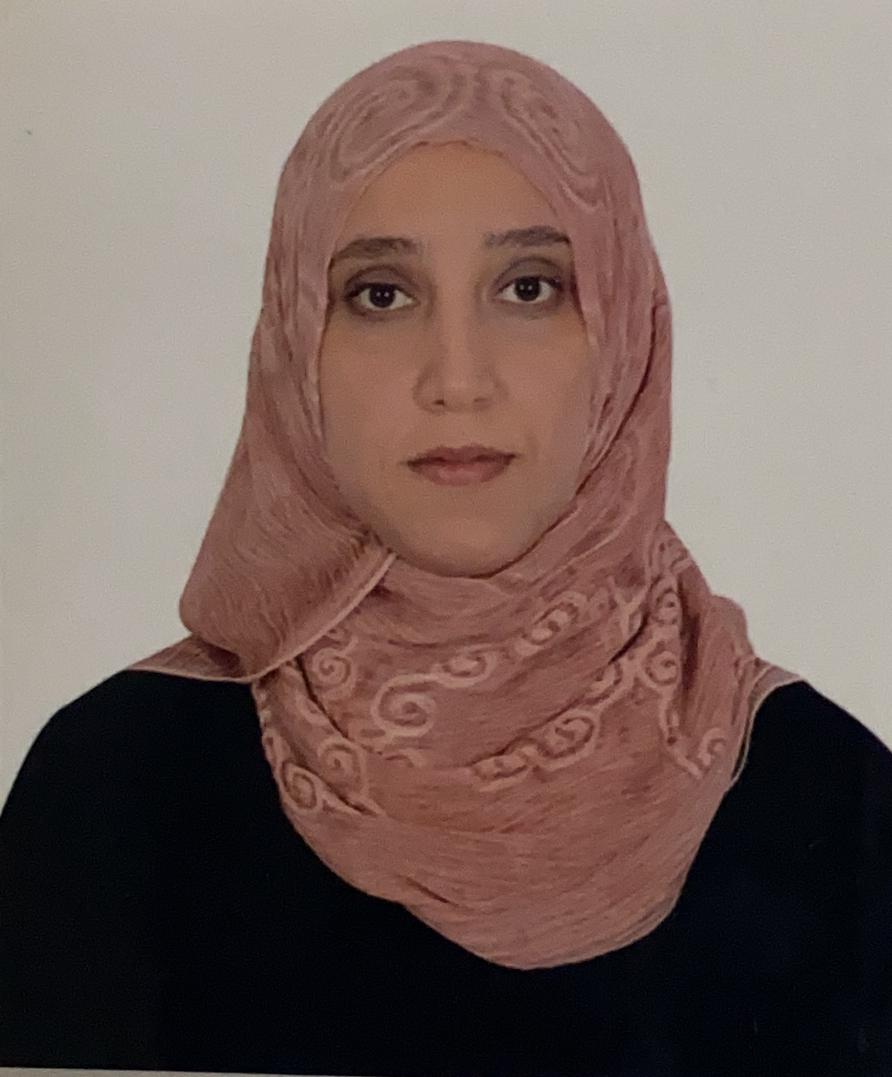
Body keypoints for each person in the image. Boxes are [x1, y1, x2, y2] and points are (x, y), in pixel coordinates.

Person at [1, 38, 890, 1077]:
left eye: (530, 288)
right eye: (381, 294)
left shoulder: (831, 804)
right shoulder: (116, 785)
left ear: (624, 336)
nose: (457, 379)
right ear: (294, 345)